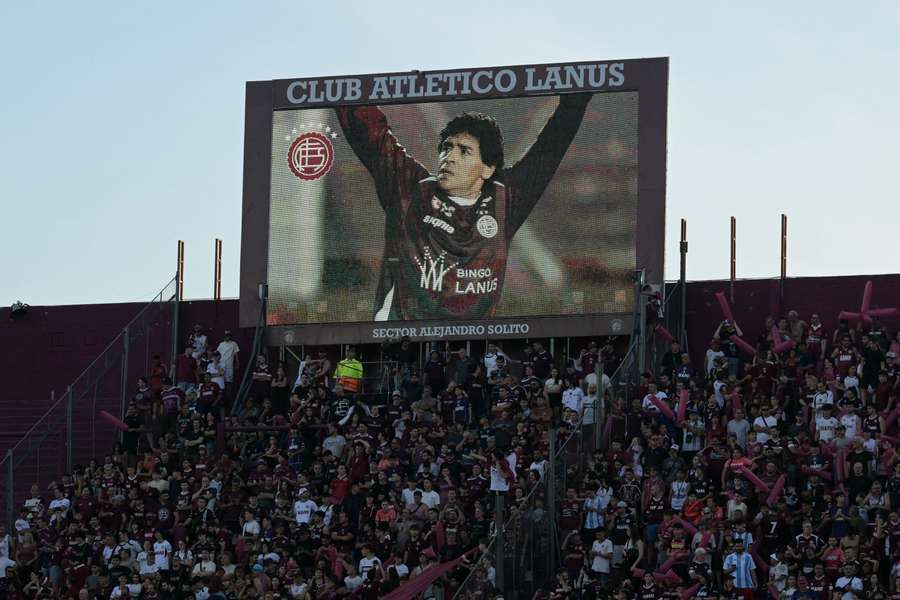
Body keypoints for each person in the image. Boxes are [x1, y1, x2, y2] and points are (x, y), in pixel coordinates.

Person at [335, 93, 591, 320]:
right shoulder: (411, 189)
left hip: (470, 346)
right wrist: (349, 90)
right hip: (401, 341)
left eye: (464, 151)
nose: (450, 157)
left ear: (488, 169)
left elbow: (549, 148)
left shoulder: (505, 201)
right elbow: (372, 136)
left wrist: (575, 101)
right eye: (446, 148)